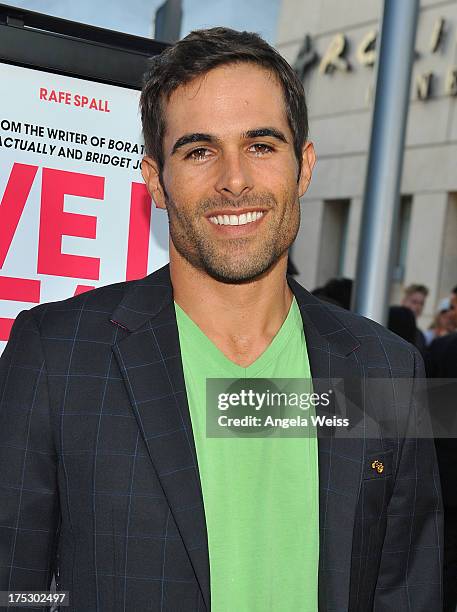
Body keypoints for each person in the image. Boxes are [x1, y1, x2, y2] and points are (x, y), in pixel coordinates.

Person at [0, 27, 442, 611]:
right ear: (156, 179)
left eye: (261, 145)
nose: (235, 180)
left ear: (303, 167)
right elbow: (13, 589)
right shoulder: (57, 355)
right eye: (199, 150)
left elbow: (406, 592)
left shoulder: (387, 369)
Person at [401, 283, 429, 355]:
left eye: (422, 303)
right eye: (414, 302)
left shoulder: (420, 336)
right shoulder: (389, 325)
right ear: (403, 301)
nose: (418, 307)